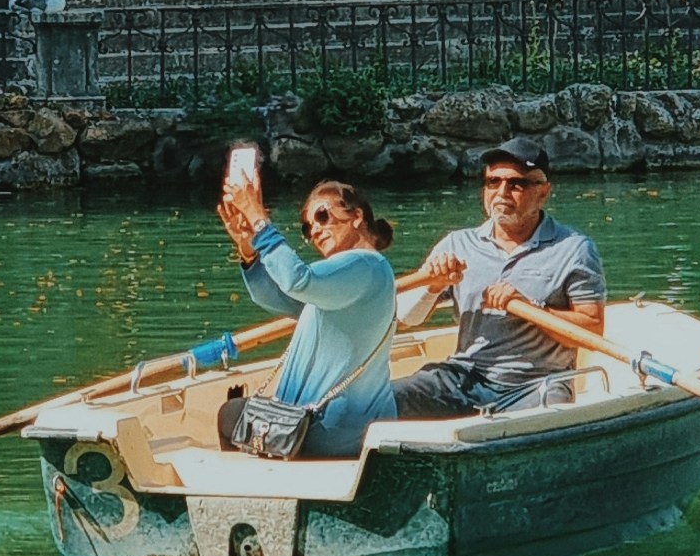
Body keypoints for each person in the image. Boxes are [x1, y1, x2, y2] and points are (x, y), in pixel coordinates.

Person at [396, 138, 606, 420]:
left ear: (543, 192)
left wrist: (530, 309)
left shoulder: (574, 248)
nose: (501, 192)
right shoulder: (457, 244)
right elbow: (408, 319)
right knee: (385, 402)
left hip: (537, 384)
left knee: (548, 415)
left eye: (516, 184)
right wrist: (432, 288)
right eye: (493, 182)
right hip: (463, 378)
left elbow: (592, 331)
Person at [216, 165, 398, 456]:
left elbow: (297, 280)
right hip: (318, 424)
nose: (315, 229)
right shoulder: (341, 280)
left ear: (356, 217)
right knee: (233, 413)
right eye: (307, 227)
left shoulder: (366, 264)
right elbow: (274, 295)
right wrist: (249, 251)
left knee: (231, 415)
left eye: (322, 216)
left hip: (332, 429)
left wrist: (259, 219)